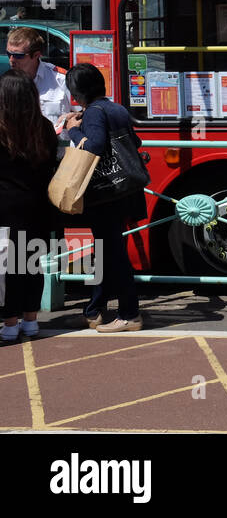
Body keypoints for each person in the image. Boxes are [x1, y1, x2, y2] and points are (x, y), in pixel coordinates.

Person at [62, 63, 144, 333]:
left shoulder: (94, 113)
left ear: (77, 92)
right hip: (125, 189)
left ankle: (130, 314)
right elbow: (136, 143)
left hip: (106, 193)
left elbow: (94, 146)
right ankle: (94, 311)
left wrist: (73, 129)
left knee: (115, 255)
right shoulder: (115, 107)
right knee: (107, 253)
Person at [0, 70, 59, 341]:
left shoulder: (2, 128)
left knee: (7, 266)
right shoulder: (44, 128)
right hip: (39, 205)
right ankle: (30, 320)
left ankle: (9, 324)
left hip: (6, 205)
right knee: (32, 263)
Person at [6, 27, 73, 130]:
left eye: (18, 56)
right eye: (9, 54)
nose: (11, 60)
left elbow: (83, 113)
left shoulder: (61, 80)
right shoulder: (6, 83)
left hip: (58, 144)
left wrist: (70, 119)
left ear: (36, 55)